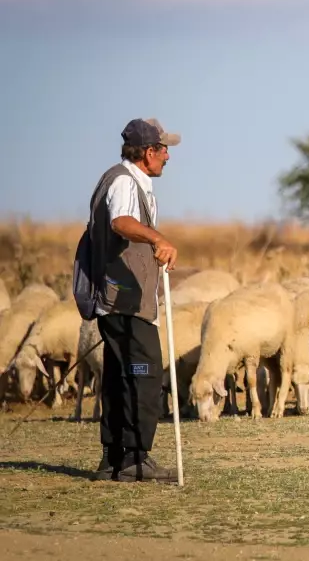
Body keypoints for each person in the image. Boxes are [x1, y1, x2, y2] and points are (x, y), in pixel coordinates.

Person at [85, 118, 181, 483]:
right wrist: (157, 239)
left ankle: (113, 458)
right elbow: (121, 222)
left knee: (119, 375)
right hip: (124, 300)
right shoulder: (124, 182)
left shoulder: (119, 179)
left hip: (119, 298)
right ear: (147, 152)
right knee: (144, 372)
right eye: (164, 149)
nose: (168, 156)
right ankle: (136, 458)